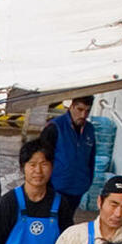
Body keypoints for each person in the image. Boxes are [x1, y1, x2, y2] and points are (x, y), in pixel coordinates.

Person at [37, 96, 97, 230]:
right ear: (71, 106)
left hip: (77, 190)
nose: (83, 115)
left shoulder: (90, 130)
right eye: (80, 109)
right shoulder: (55, 127)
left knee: (66, 225)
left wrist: (87, 181)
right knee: (50, 225)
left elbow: (91, 159)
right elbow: (41, 159)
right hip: (55, 188)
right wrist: (43, 187)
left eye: (87, 111)